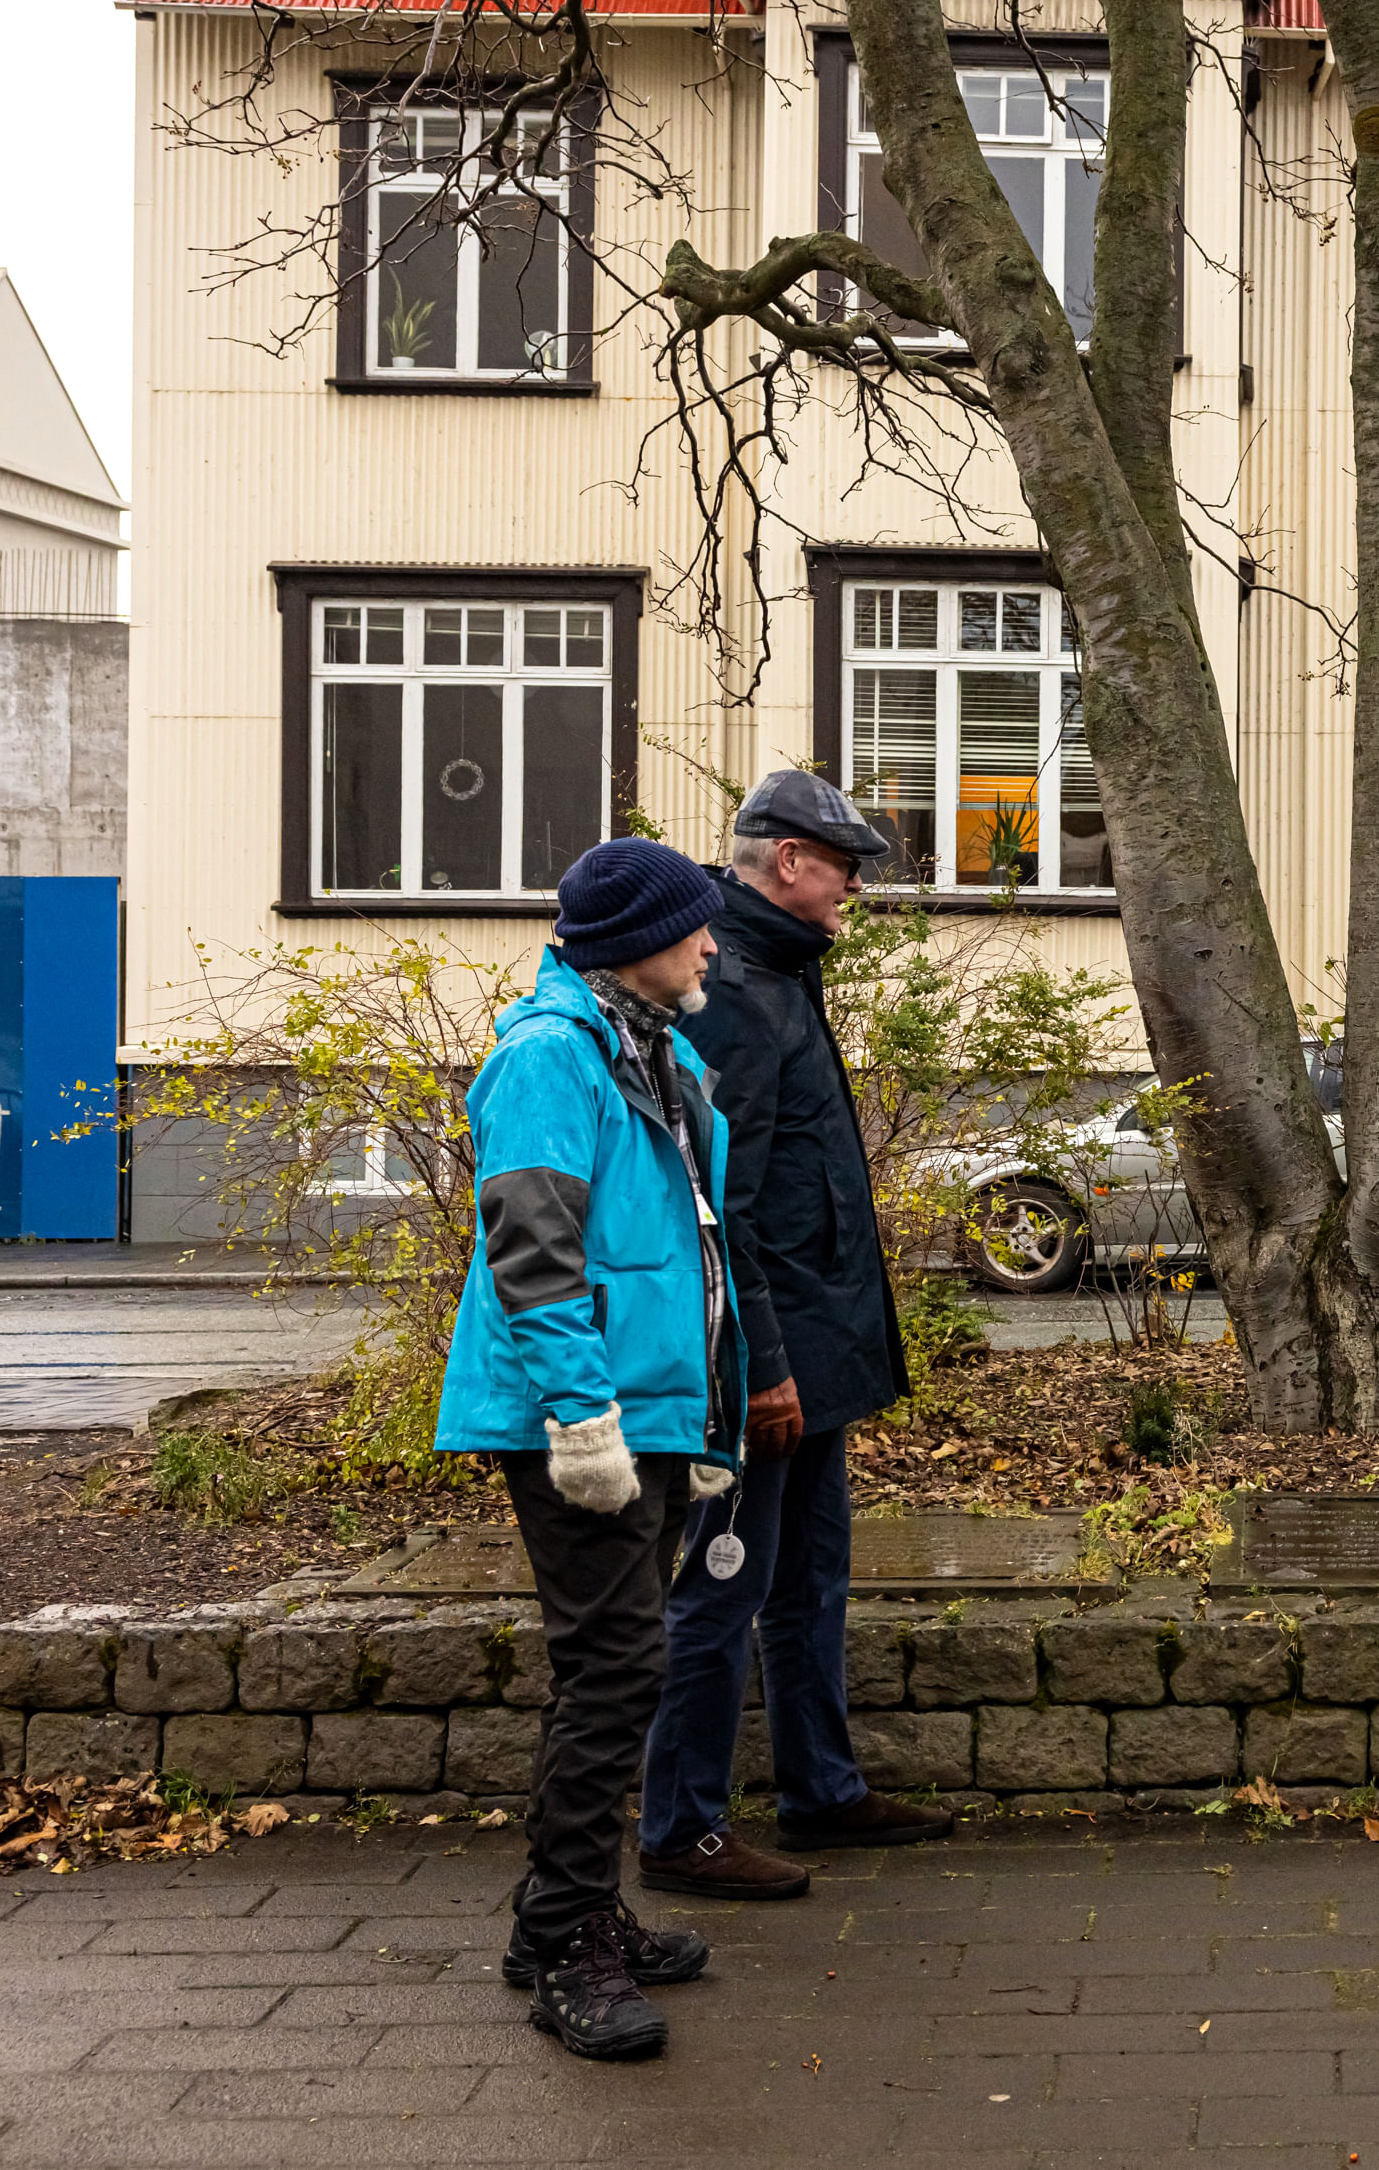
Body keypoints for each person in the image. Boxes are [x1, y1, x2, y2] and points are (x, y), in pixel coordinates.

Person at [435, 836, 746, 2061]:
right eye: (695, 927)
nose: (712, 943)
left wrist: (701, 1409)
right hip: (586, 1419)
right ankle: (566, 1938)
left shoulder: (650, 1052)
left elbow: (691, 1249)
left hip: (648, 1407)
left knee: (611, 1667)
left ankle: (562, 1911)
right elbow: (534, 1248)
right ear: (636, 942)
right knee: (619, 1667)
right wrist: (582, 1421)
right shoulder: (552, 1055)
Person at [640, 772, 953, 1897]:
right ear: (786, 862)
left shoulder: (776, 972)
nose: (853, 888)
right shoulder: (733, 987)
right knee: (725, 1581)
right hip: (764, 1364)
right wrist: (762, 1365)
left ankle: (821, 1789)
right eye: (842, 866)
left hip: (816, 1355)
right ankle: (680, 1827)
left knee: (811, 1574)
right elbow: (731, 1206)